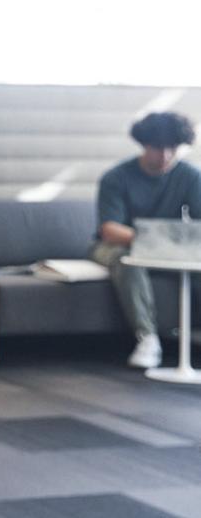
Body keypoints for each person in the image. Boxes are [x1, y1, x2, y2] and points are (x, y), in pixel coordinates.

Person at [90, 111, 201, 369]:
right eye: (157, 148)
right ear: (143, 145)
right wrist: (158, 238)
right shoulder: (116, 177)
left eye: (172, 149)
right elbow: (110, 230)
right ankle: (147, 338)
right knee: (128, 261)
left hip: (168, 249)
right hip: (117, 246)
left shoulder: (189, 177)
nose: (165, 156)